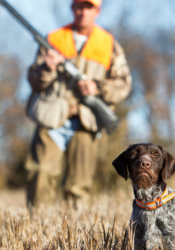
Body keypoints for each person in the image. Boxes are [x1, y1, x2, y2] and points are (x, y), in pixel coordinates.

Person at [25, 0, 132, 207]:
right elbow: (33, 80)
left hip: (86, 120)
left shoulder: (109, 44)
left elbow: (123, 85)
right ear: (72, 8)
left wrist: (97, 88)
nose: (83, 11)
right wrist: (47, 68)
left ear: (98, 11)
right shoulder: (53, 39)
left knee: (79, 185)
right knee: (40, 173)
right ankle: (37, 224)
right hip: (52, 117)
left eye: (88, 7)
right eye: (79, 6)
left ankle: (73, 234)